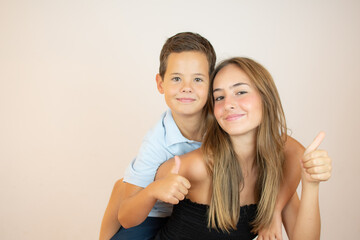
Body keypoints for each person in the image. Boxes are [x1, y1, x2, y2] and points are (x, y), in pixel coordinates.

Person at [100, 33, 303, 240]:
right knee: (122, 190)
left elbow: (295, 151)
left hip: (189, 210)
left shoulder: (227, 116)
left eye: (197, 79)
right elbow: (126, 214)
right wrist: (153, 191)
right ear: (160, 84)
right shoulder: (156, 142)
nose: (186, 87)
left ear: (211, 84)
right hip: (155, 212)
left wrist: (275, 210)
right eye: (176, 78)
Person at [153, 57, 332, 240]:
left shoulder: (275, 175)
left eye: (240, 92)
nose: (228, 104)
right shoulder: (199, 165)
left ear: (265, 97)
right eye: (219, 97)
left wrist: (311, 184)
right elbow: (135, 193)